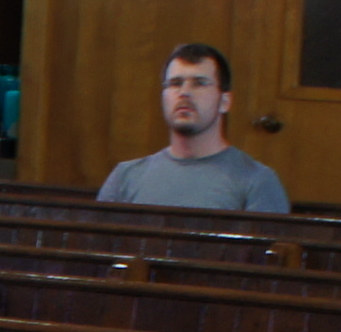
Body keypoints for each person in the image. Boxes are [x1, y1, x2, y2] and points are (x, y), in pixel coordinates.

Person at [96, 43, 289, 213]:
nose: (184, 93)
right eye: (175, 84)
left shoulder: (257, 181)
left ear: (225, 101)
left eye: (199, 83)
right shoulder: (126, 176)